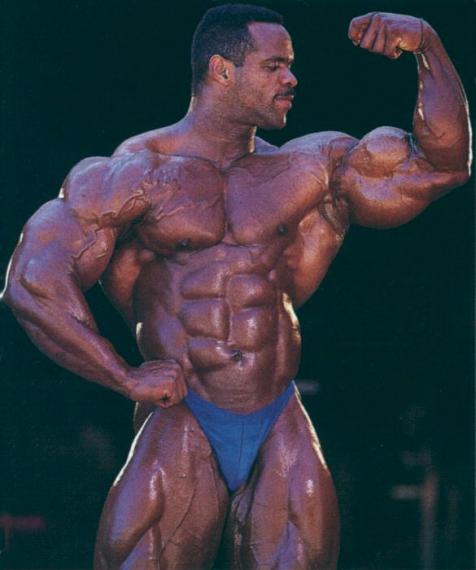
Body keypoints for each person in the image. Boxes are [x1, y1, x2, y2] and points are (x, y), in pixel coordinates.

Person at [2, 3, 470, 568]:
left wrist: (427, 46)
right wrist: (123, 376)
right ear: (221, 70)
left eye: (290, 65)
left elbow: (442, 166)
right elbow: (32, 283)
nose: (291, 79)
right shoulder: (136, 173)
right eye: (274, 66)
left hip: (278, 412)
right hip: (184, 412)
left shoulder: (311, 167)